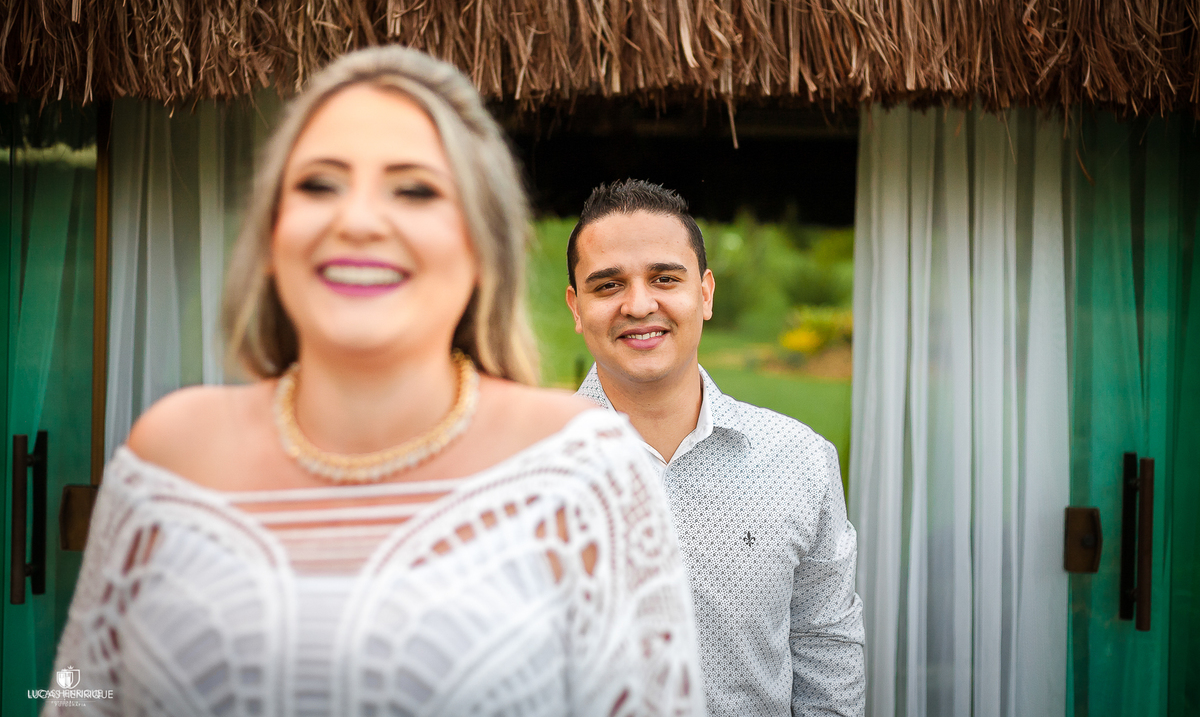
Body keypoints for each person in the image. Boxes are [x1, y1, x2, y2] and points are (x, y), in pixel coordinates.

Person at [48, 50, 703, 716]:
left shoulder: (582, 470)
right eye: (318, 185)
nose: (357, 220)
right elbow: (78, 696)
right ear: (274, 235)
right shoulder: (170, 452)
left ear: (481, 245)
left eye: (414, 189)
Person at [565, 179, 865, 717]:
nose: (639, 304)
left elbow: (828, 653)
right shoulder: (525, 469)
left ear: (705, 294)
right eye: (608, 285)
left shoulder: (800, 461)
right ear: (576, 306)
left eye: (664, 278)